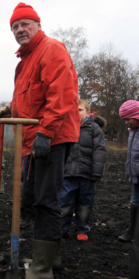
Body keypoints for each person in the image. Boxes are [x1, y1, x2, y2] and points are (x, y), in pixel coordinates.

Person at [0, 3, 80, 278]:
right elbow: (27, 99)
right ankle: (48, 257)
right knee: (32, 199)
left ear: (38, 25)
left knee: (45, 200)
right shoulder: (26, 60)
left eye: (24, 24)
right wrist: (8, 110)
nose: (19, 30)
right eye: (14, 27)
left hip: (50, 137)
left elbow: (62, 94)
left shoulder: (51, 49)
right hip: (31, 138)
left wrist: (45, 132)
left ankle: (43, 267)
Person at [60, 100, 106, 241]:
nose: (76, 112)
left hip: (86, 174)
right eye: (73, 109)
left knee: (85, 204)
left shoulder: (94, 128)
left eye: (80, 109)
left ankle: (82, 229)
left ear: (88, 112)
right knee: (64, 203)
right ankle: (61, 229)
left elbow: (99, 151)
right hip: (67, 173)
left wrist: (96, 172)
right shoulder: (65, 127)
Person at [118, 100, 139, 242]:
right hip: (136, 174)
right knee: (135, 201)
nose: (126, 122)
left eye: (128, 118)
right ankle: (132, 231)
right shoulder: (133, 131)